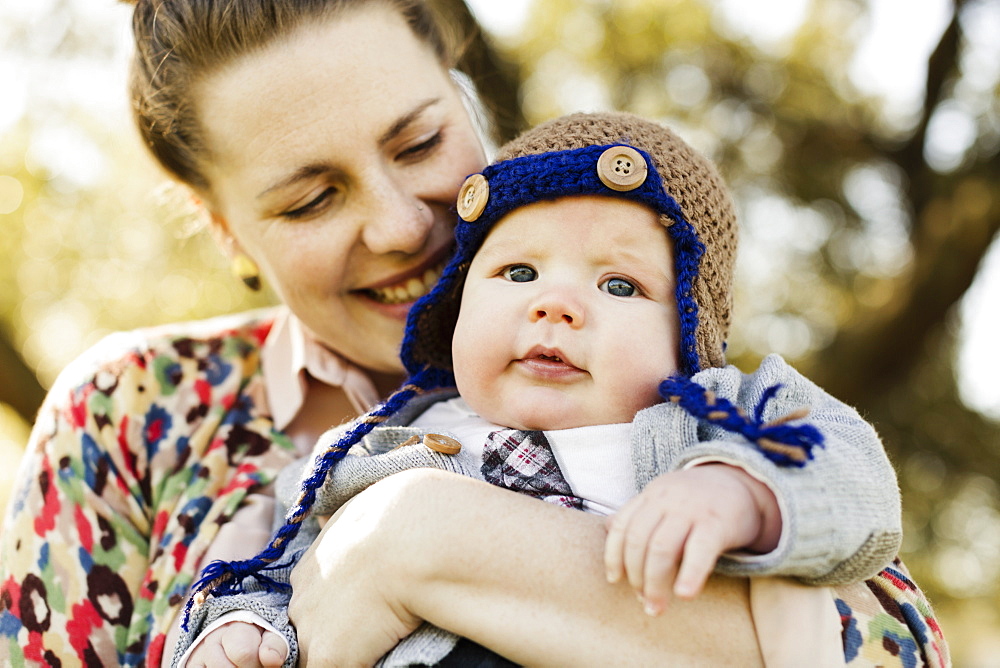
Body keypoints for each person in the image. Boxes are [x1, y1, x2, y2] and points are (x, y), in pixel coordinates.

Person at [0, 0, 947, 666]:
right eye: (311, 198)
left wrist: (420, 542)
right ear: (225, 229)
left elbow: (895, 643)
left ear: (467, 96)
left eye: (417, 144)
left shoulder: (671, 368)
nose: (402, 226)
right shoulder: (134, 414)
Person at [176, 113, 946, 668]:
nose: (557, 304)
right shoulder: (374, 447)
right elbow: (269, 569)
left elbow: (855, 479)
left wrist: (741, 492)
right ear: (457, 307)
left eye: (619, 283)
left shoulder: (724, 419)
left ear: (689, 338)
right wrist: (240, 629)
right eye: (518, 272)